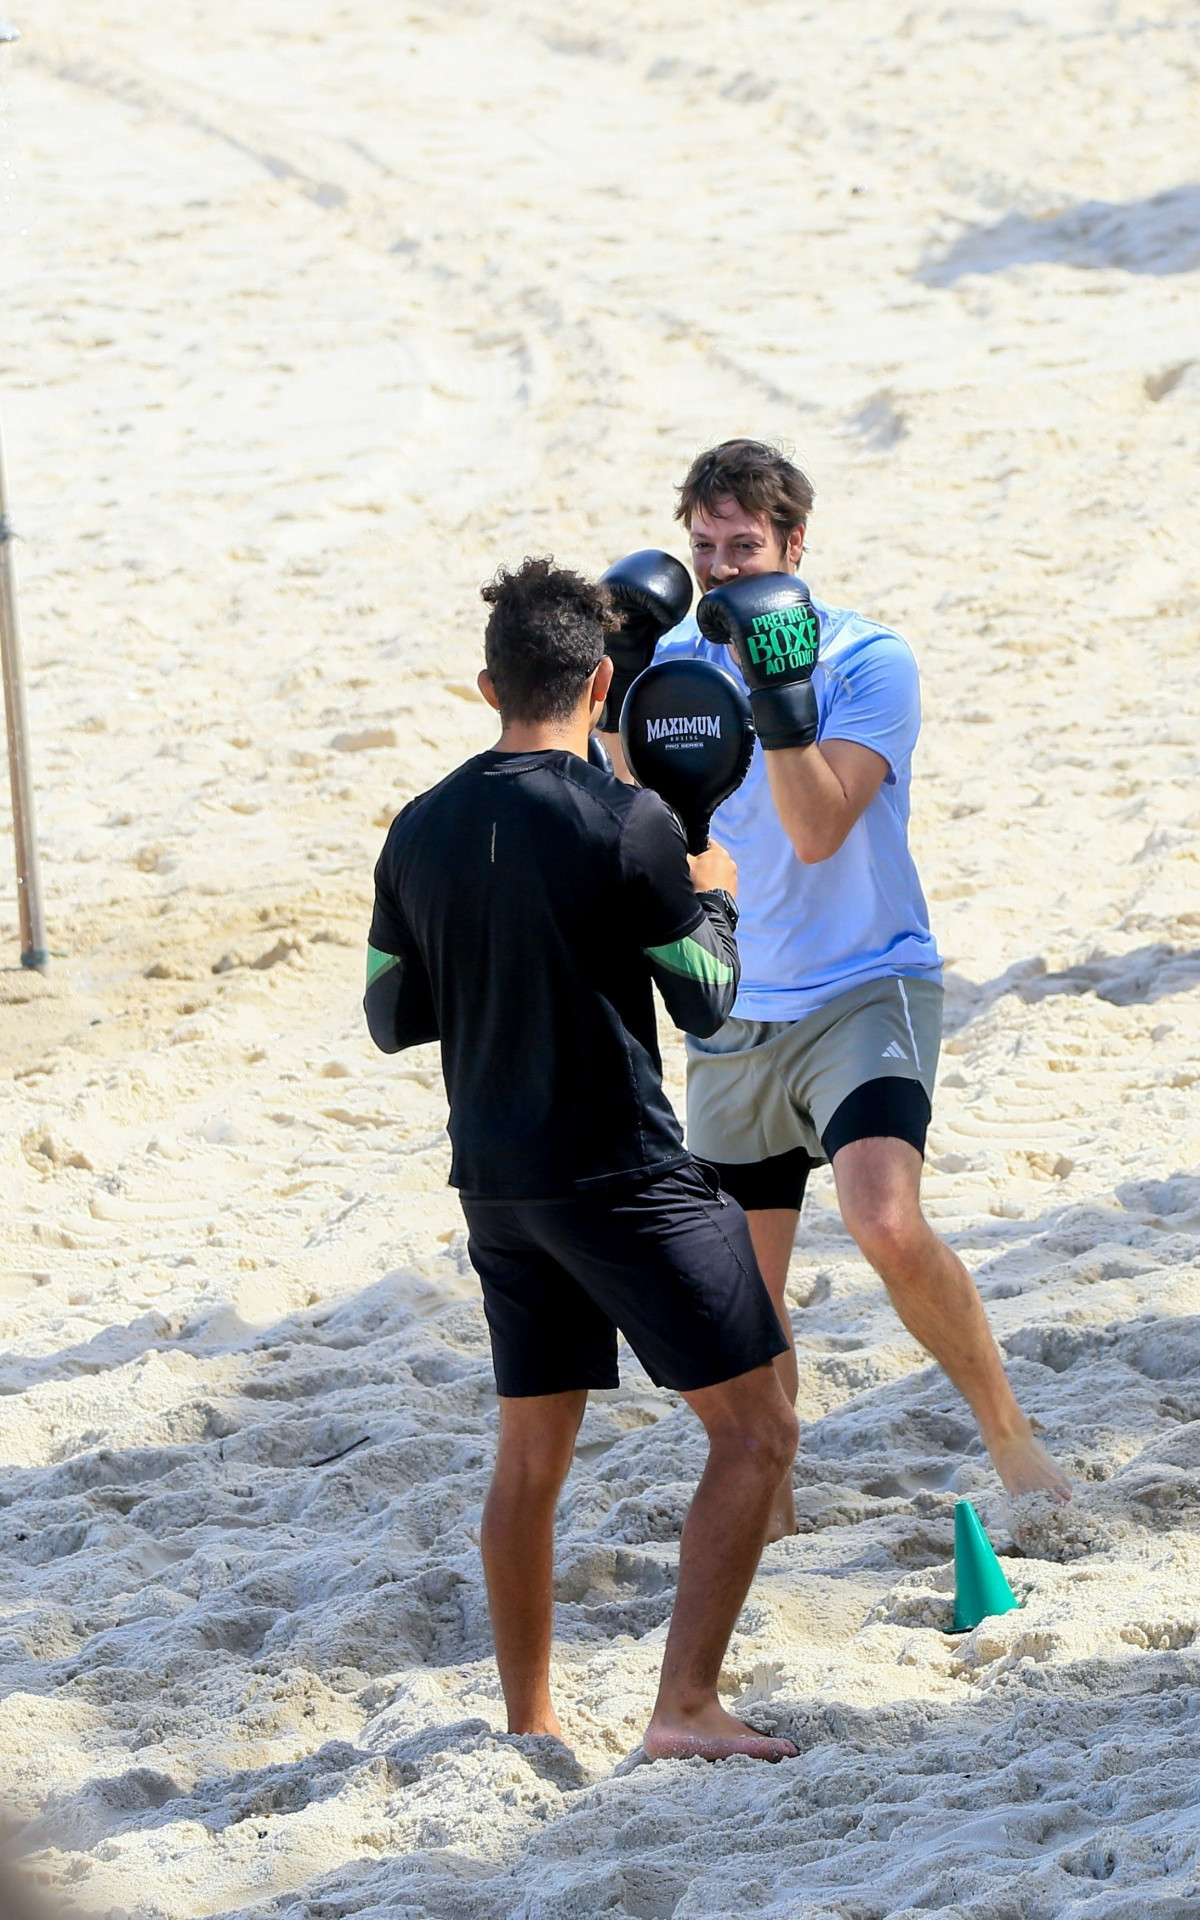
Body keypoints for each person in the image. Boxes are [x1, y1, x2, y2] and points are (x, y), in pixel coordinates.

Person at [365, 556, 799, 1763]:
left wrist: (495, 954)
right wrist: (714, 895)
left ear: (487, 683)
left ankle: (530, 1719)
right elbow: (708, 1002)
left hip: (500, 1188)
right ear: (602, 682)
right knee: (759, 1431)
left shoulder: (420, 827)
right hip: (623, 1175)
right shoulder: (630, 820)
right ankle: (686, 1707)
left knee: (529, 1461)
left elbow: (390, 1014)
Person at [599, 440, 1071, 1536]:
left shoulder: (870, 659)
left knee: (885, 1221)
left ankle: (1009, 1435)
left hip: (867, 984)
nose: (718, 568)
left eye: (744, 547)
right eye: (703, 546)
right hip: (738, 1008)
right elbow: (638, 820)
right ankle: (772, 1503)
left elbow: (817, 830)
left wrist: (778, 686)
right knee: (743, 1299)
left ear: (794, 546)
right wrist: (618, 686)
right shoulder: (670, 665)